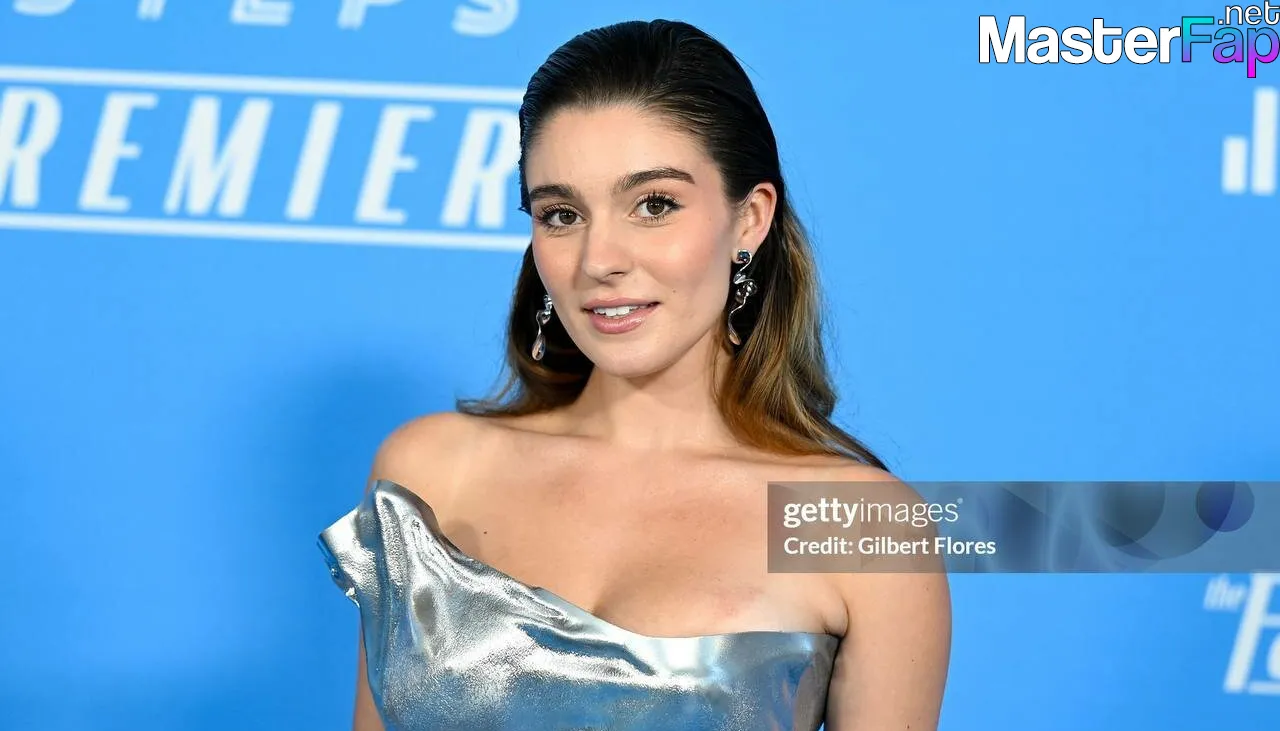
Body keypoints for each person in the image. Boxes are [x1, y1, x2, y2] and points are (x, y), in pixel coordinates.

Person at [318, 18, 950, 731]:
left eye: (654, 205)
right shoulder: (431, 470)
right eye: (561, 214)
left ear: (750, 219)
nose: (599, 260)